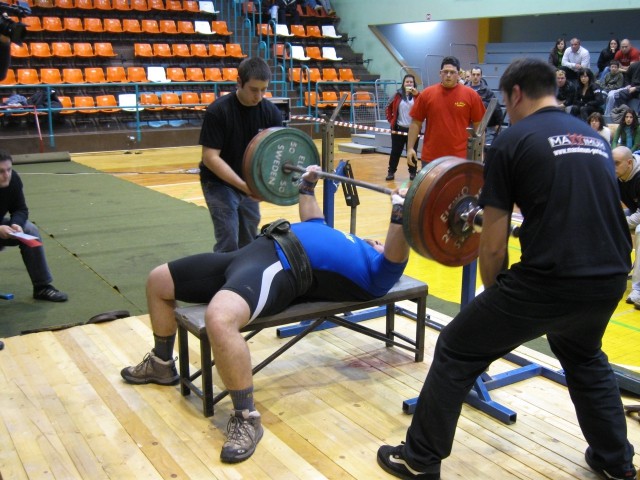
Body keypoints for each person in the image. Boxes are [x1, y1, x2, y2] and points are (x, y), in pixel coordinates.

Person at [377, 58, 637, 480]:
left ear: (516, 94)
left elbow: (493, 243)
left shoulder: (514, 140)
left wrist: (498, 298)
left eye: (506, 102)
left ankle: (419, 459)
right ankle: (616, 463)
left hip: (549, 281)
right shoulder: (594, 138)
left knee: (457, 348)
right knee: (584, 356)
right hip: (610, 278)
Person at [121, 165, 410, 464]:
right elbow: (312, 218)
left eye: (380, 241)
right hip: (251, 252)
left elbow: (395, 253)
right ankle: (162, 363)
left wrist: (400, 213)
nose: (374, 240)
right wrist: (307, 186)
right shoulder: (347, 239)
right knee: (158, 280)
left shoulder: (379, 273)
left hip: (281, 267)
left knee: (220, 319)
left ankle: (246, 418)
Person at [198, 57, 284, 253]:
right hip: (219, 182)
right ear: (239, 82)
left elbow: (277, 153)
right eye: (254, 90)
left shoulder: (271, 113)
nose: (259, 96)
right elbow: (210, 157)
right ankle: (223, 281)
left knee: (248, 240)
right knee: (228, 239)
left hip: (249, 184)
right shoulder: (218, 111)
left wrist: (264, 187)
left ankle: (243, 280)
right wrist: (245, 186)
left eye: (264, 90)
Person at [0, 150, 68, 302]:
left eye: (9, 169)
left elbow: (20, 208)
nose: (6, 175)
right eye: (1, 171)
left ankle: (42, 287)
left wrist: (16, 224)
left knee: (29, 229)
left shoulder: (13, 180)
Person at [406, 56, 485, 167]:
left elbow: (479, 126)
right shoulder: (426, 94)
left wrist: (479, 153)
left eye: (452, 72)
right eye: (445, 72)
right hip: (431, 158)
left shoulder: (472, 96)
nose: (448, 75)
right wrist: (410, 148)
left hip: (460, 158)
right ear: (440, 73)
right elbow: (416, 123)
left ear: (458, 74)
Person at [612, 146, 640, 308]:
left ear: (629, 163)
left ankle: (638, 289)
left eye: (616, 163)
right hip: (636, 210)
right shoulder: (616, 174)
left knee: (639, 230)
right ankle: (619, 270)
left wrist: (619, 223)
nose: (612, 167)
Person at [385, 74, 420, 181]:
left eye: (411, 82)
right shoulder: (397, 95)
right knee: (395, 152)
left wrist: (417, 95)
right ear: (403, 83)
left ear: (414, 84)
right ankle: (391, 172)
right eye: (407, 82)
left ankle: (413, 173)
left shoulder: (418, 96)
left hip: (413, 130)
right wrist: (391, 121)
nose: (409, 84)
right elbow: (388, 107)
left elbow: (424, 106)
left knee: (412, 151)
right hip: (398, 129)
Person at [465, 67, 504, 144]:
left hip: (482, 124)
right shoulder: (464, 89)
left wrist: (498, 123)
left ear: (481, 76)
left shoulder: (487, 91)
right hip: (467, 123)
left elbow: (496, 107)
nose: (475, 77)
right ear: (471, 75)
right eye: (474, 74)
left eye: (478, 75)